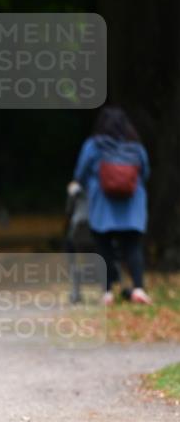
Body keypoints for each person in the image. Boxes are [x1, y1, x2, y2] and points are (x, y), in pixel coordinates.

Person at [68, 105, 152, 305]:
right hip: (132, 206)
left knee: (103, 247)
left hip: (102, 205)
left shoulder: (93, 145)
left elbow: (80, 173)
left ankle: (107, 292)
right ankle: (138, 288)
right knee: (133, 247)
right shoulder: (135, 146)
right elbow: (145, 172)